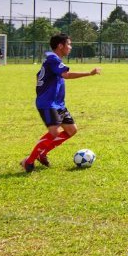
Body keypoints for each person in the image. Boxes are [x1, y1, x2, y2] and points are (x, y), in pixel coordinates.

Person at [21, 33, 101, 172]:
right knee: (54, 133)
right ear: (60, 46)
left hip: (58, 103)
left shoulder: (53, 60)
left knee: (71, 130)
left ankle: (42, 153)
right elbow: (66, 75)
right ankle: (28, 161)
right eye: (68, 44)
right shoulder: (53, 59)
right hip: (47, 104)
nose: (70, 47)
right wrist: (89, 73)